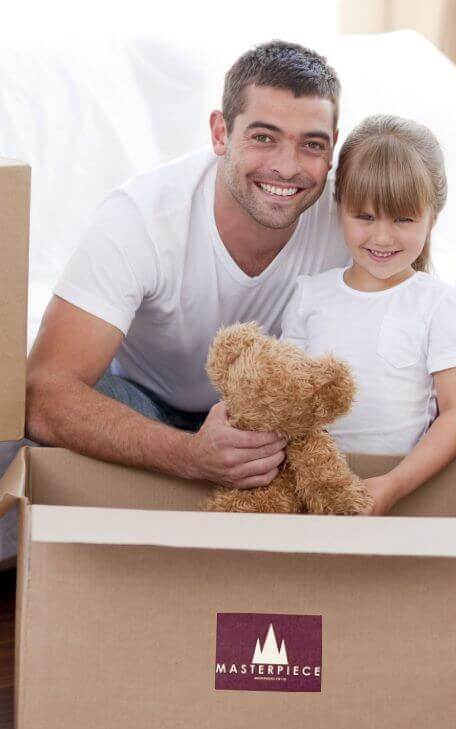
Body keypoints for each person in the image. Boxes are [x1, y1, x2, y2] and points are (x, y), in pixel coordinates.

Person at [25, 41, 349, 489]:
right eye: (263, 137)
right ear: (220, 133)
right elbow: (44, 391)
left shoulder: (352, 221)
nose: (286, 167)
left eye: (311, 145)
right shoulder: (140, 218)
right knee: (22, 444)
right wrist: (190, 455)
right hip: (143, 404)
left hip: (271, 422)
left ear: (332, 151)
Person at [280, 115, 456, 515]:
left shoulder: (441, 304)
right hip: (311, 487)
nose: (383, 237)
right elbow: (287, 398)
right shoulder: (311, 295)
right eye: (366, 217)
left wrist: (392, 485)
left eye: (404, 219)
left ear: (432, 219)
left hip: (403, 489)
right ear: (340, 210)